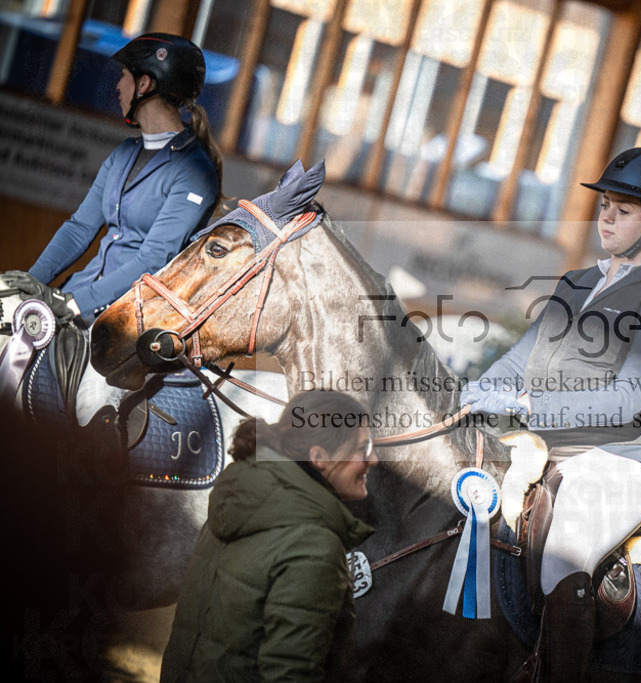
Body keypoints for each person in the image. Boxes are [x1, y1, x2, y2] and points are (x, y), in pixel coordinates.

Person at [460, 147, 641, 680]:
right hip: (544, 451)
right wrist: (473, 392)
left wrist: (524, 404)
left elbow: (625, 399)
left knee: (566, 555)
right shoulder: (576, 283)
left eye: (624, 210)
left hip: (616, 461)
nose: (606, 216)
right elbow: (523, 357)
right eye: (605, 204)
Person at [160, 391, 376, 681]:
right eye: (362, 448)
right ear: (319, 458)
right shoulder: (315, 547)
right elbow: (291, 674)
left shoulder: (235, 499)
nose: (372, 460)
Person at [23, 32, 222, 325]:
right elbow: (79, 228)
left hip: (129, 320)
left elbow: (153, 259)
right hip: (77, 300)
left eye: (124, 76)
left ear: (144, 84)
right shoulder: (123, 154)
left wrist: (77, 303)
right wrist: (29, 284)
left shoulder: (194, 172)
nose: (118, 86)